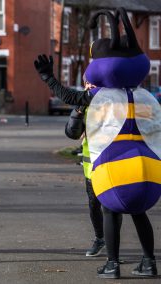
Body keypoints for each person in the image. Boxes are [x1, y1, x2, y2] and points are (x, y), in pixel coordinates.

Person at [34, 8, 158, 279]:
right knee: (139, 213)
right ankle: (149, 262)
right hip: (146, 165)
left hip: (114, 164)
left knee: (110, 210)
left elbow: (69, 96)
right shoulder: (145, 97)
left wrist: (48, 78)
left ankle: (112, 264)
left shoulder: (101, 96)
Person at [64, 78, 106, 258]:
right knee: (94, 205)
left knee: (113, 208)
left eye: (93, 84)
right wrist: (79, 110)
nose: (89, 87)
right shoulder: (84, 105)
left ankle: (113, 245)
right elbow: (72, 132)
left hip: (110, 163)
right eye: (87, 83)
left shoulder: (110, 104)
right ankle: (100, 238)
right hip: (91, 167)